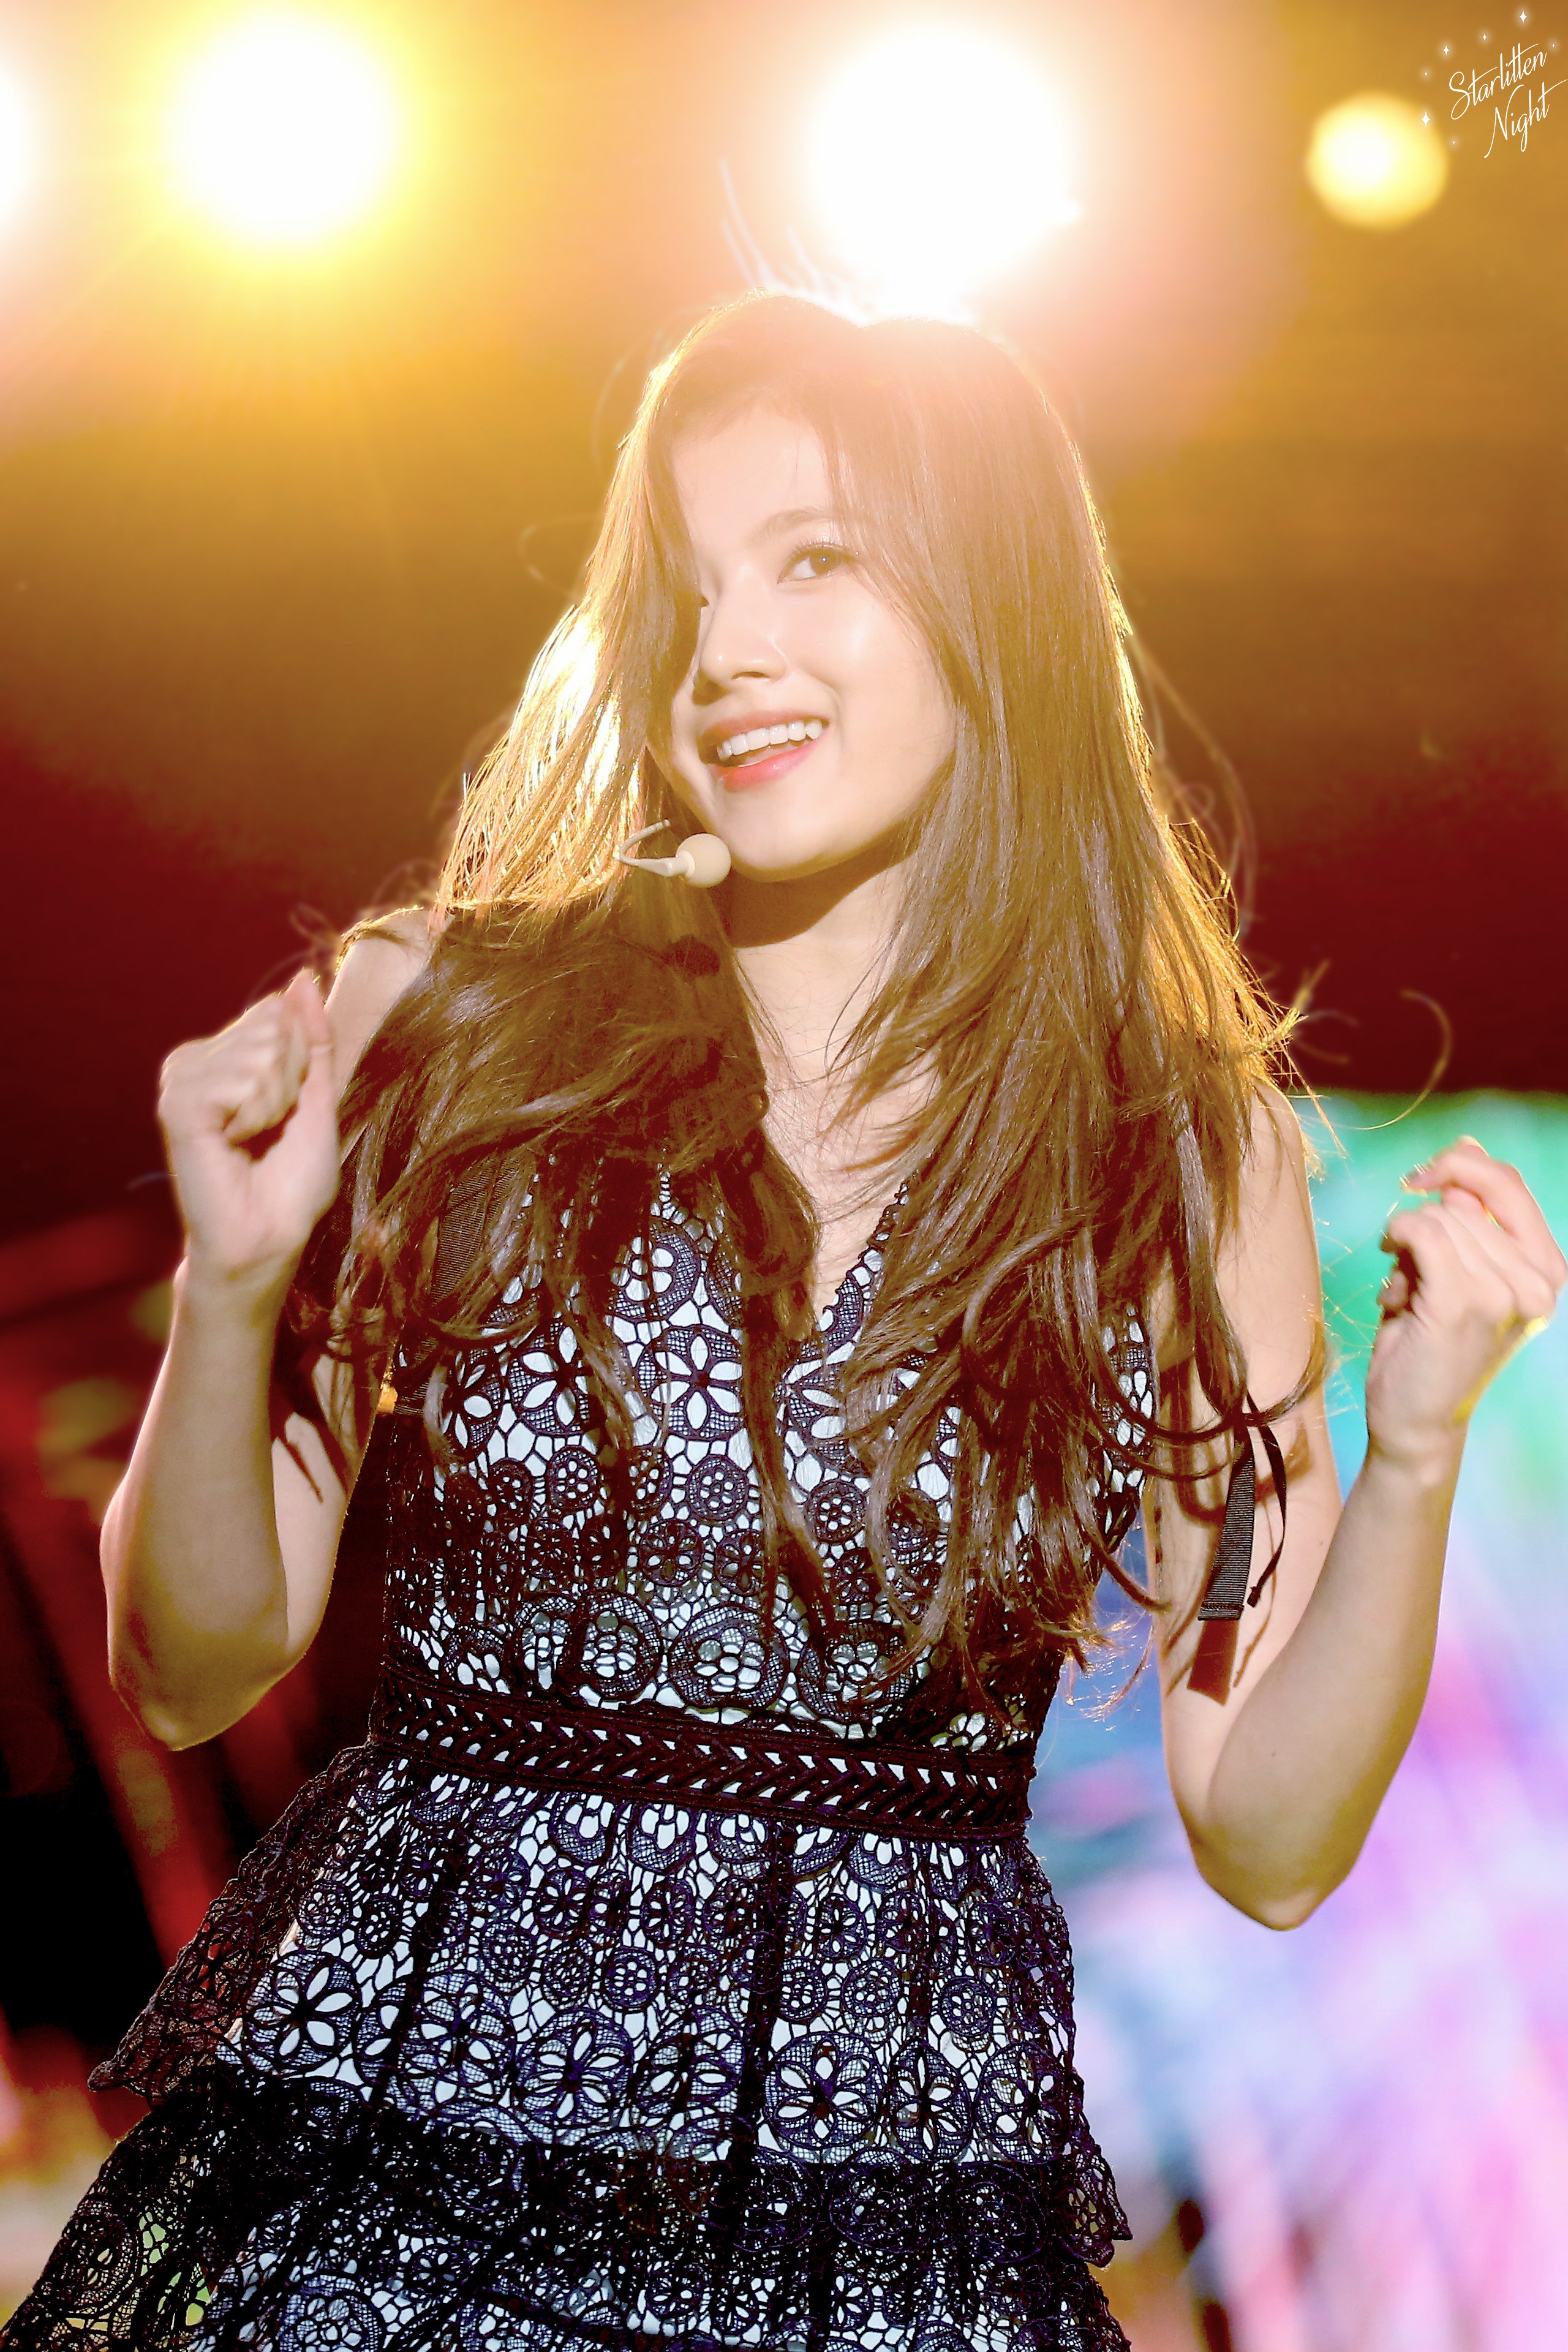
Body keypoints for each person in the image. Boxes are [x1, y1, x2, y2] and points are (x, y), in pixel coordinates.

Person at [6, 292, 1562, 2352]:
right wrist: (230, 1285)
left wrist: (1419, 1450)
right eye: (687, 586)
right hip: (404, 2227)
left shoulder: (1179, 1158)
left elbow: (1269, 1844)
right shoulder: (453, 1023)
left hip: (879, 2261)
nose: (725, 648)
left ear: (991, 602)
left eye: (812, 559)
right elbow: (190, 1662)